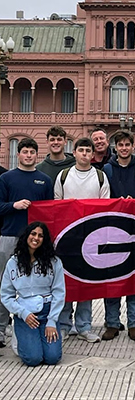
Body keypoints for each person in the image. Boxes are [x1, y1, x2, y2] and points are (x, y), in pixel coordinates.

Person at [54, 138, 110, 343]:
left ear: (92, 154)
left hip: (91, 238)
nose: (85, 153)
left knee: (87, 282)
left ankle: (84, 326)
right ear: (74, 152)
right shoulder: (63, 176)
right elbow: (56, 206)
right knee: (66, 282)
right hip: (68, 238)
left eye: (88, 150)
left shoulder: (101, 177)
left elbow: (106, 209)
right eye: (81, 150)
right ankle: (63, 325)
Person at [0, 138, 53, 348]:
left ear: (36, 155)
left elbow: (51, 212)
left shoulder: (44, 180)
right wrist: (14, 205)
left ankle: (36, 325)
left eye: (32, 151)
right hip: (10, 235)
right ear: (18, 154)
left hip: (36, 241)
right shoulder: (6, 178)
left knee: (36, 284)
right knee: (5, 284)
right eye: (25, 151)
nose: (28, 155)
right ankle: (1, 328)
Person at [102, 130, 135, 341]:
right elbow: (102, 198)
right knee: (111, 278)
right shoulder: (106, 170)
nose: (124, 148)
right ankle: (112, 323)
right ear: (115, 148)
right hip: (111, 232)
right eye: (120, 145)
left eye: (127, 145)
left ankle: (133, 323)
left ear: (133, 146)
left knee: (134, 278)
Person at [0, 222, 65, 366]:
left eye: (40, 235)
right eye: (33, 234)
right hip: (26, 314)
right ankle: (21, 337)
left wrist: (52, 321)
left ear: (45, 240)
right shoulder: (13, 262)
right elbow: (5, 295)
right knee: (33, 359)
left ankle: (38, 338)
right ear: (26, 236)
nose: (36, 238)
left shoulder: (54, 262)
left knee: (53, 358)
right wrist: (22, 313)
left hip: (47, 311)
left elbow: (59, 293)